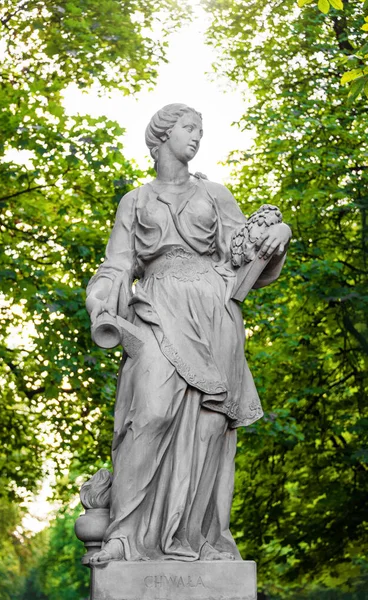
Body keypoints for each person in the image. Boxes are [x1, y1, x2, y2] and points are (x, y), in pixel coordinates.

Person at [85, 103, 291, 563]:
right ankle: (124, 535)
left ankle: (200, 540)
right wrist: (100, 298)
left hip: (214, 311)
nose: (197, 136)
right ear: (162, 135)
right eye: (189, 128)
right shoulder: (135, 201)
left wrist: (281, 230)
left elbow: (246, 252)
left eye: (201, 129)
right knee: (151, 413)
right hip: (156, 306)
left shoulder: (215, 194)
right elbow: (119, 264)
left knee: (209, 427)